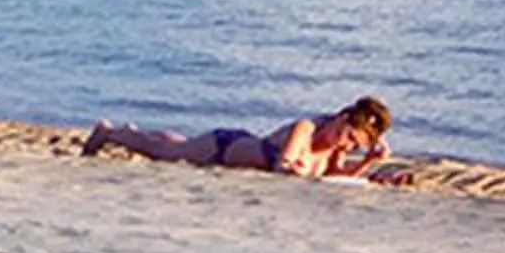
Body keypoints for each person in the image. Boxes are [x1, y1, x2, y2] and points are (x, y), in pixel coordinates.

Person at [81, 96, 391, 177]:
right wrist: (292, 171)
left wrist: (367, 163)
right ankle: (110, 133)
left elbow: (334, 176)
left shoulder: (333, 147)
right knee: (163, 152)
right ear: (342, 118)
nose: (346, 145)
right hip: (223, 148)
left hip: (232, 149)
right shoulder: (306, 129)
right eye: (348, 137)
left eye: (355, 145)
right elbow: (284, 165)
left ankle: (127, 132)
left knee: (174, 145)